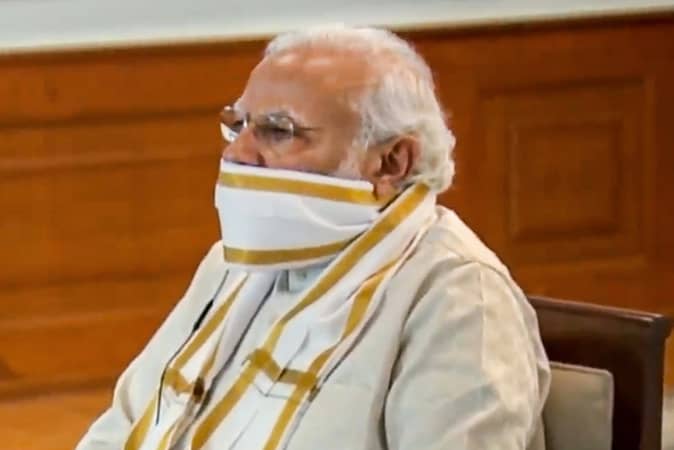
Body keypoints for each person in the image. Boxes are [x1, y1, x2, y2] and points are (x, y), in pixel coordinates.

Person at [76, 25, 550, 450]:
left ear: (391, 162)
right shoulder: (231, 264)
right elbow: (127, 422)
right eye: (238, 125)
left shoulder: (460, 297)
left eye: (277, 130)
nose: (239, 152)